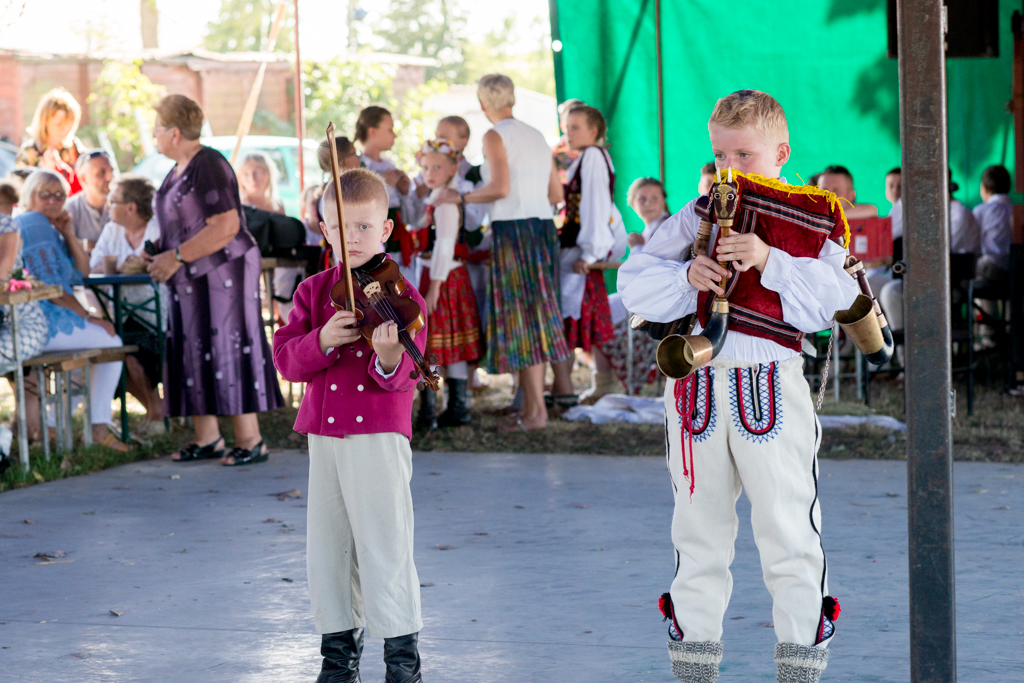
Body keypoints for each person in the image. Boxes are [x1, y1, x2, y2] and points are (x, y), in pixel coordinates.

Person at [619, 89, 858, 683]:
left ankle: (800, 666)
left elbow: (838, 301)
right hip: (695, 384)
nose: (730, 170)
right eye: (721, 156)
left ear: (781, 152)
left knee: (787, 528)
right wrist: (685, 275)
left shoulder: (813, 218)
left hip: (771, 382)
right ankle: (695, 667)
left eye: (745, 156)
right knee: (697, 531)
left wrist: (770, 258)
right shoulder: (693, 214)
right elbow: (634, 283)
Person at [273, 168, 426, 683]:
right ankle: (339, 662)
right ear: (326, 231)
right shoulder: (313, 292)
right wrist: (321, 341)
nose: (354, 237)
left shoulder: (402, 296)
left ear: (385, 230)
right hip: (325, 437)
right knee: (329, 548)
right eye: (343, 228)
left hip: (378, 437)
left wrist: (388, 357)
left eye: (365, 227)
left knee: (385, 545)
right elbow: (288, 362)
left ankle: (402, 664)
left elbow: (407, 374)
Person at [147, 94, 283, 466]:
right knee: (192, 348)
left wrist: (175, 256)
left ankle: (250, 439)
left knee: (227, 344)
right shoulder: (178, 169)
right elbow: (182, 223)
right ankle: (207, 438)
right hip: (189, 274)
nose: (152, 135)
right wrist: (158, 252)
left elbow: (226, 224)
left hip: (223, 272)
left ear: (175, 133)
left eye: (157, 128)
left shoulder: (207, 164)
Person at [436, 74, 568, 431]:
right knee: (537, 318)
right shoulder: (537, 135)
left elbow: (500, 186)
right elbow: (557, 196)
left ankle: (534, 411)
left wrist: (460, 196)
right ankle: (532, 409)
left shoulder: (494, 135)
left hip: (513, 232)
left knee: (519, 320)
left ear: (482, 104)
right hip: (542, 231)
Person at [16, 170, 128, 451]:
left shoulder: (48, 227)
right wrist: (89, 317)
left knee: (90, 355)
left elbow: (82, 271)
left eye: (60, 195)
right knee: (112, 342)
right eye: (46, 194)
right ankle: (97, 429)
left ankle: (53, 426)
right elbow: (55, 289)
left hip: (37, 322)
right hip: (42, 323)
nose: (54, 201)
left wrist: (67, 232)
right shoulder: (35, 223)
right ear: (30, 195)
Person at [551, 105, 627, 406]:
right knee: (569, 318)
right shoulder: (584, 158)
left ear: (593, 131)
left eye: (575, 127)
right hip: (576, 248)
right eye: (566, 128)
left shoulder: (593, 157)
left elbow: (595, 205)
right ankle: (566, 386)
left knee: (572, 317)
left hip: (582, 251)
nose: (568, 133)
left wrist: (591, 251)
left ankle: (575, 388)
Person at [414, 139, 482, 430]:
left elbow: (444, 245)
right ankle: (452, 408)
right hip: (442, 275)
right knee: (447, 344)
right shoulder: (436, 199)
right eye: (426, 166)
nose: (430, 172)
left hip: (444, 276)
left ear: (453, 168)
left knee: (434, 343)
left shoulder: (446, 204)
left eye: (438, 167)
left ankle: (435, 410)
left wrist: (435, 286)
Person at [89, 174, 165, 430]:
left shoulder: (158, 229)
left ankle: (157, 413)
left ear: (130, 207)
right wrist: (121, 268)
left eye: (114, 201)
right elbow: (94, 265)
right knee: (117, 345)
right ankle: (155, 411)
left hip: (160, 315)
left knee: (131, 347)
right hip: (120, 313)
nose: (109, 205)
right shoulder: (112, 230)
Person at [354, 106, 418, 282]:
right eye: (389, 130)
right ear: (372, 131)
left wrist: (405, 193)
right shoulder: (360, 166)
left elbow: (408, 217)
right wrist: (385, 184)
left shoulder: (389, 164)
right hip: (374, 247)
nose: (394, 135)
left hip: (398, 244)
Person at [17, 88, 85, 195]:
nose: (65, 129)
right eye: (58, 123)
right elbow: (21, 193)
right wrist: (46, 170)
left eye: (69, 123)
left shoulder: (74, 146)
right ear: (45, 121)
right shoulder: (29, 151)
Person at [64, 150, 114, 248]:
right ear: (83, 179)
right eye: (101, 173)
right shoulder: (70, 209)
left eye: (112, 171)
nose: (110, 178)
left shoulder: (124, 204)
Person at [973, 164, 1012, 288]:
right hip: (1014, 270)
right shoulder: (1014, 210)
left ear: (985, 189)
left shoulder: (982, 210)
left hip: (990, 269)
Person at [627, 177, 671, 250]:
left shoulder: (670, 227)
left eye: (654, 198)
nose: (648, 204)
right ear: (633, 204)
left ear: (663, 201)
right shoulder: (646, 232)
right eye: (642, 199)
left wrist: (637, 247)